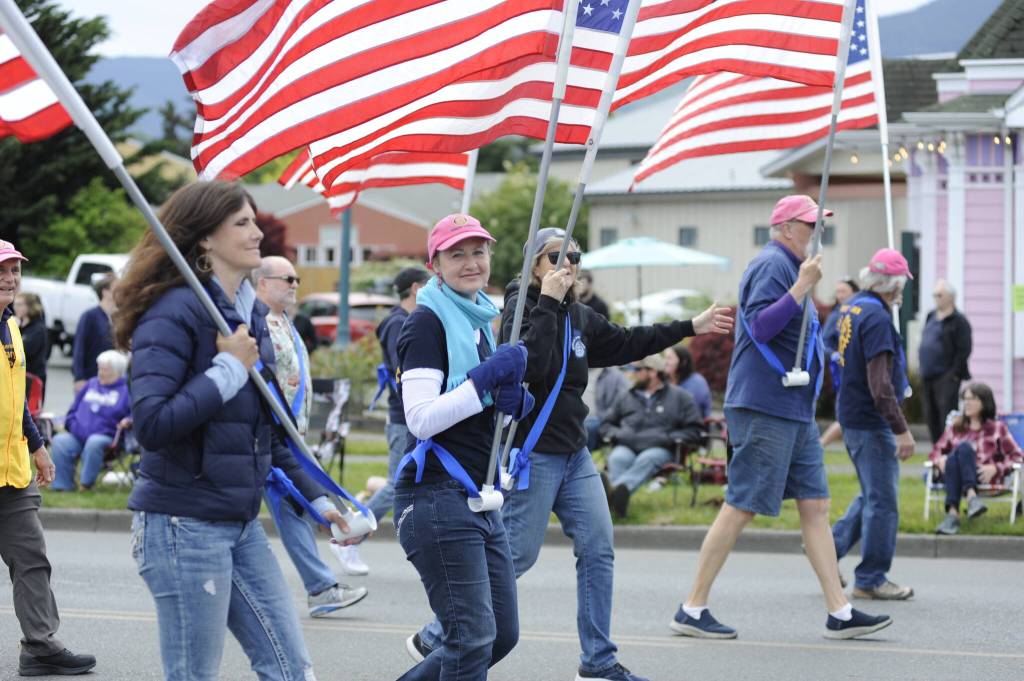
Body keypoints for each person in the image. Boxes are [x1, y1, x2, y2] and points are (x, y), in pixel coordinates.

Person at [410, 226, 734, 681]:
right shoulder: (520, 310)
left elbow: (626, 342)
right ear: (533, 267)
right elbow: (533, 363)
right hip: (534, 452)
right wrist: (547, 301)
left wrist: (689, 328)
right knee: (516, 557)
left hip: (575, 452)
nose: (568, 266)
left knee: (599, 549)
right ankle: (439, 630)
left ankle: (598, 660)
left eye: (575, 257)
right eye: (555, 257)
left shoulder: (579, 316)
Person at [113, 181, 353, 681]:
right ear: (204, 239)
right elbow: (153, 425)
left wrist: (320, 502)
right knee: (193, 674)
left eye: (254, 219)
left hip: (238, 522)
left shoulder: (249, 318)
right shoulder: (173, 312)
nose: (256, 231)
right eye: (241, 222)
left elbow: (269, 431)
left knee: (291, 669)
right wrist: (227, 371)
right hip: (183, 525)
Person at [669, 195, 891, 642]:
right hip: (764, 405)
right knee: (742, 504)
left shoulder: (793, 265)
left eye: (819, 223)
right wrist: (800, 288)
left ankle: (839, 611)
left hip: (792, 409)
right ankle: (692, 607)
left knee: (816, 505)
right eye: (811, 224)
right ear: (786, 227)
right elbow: (760, 326)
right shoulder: (773, 264)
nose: (817, 232)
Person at [394, 213, 530, 681]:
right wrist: (484, 382)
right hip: (436, 496)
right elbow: (421, 418)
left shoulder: (478, 319)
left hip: (475, 496)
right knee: (470, 639)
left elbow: (478, 413)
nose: (471, 262)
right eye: (457, 254)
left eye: (478, 251)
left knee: (499, 635)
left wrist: (511, 404)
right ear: (435, 264)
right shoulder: (427, 324)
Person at [0, 239, 96, 676]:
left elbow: (15, 398)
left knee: (32, 558)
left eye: (15, 270)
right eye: (2, 271)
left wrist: (37, 446)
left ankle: (39, 646)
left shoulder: (13, 326)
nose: (10, 278)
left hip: (13, 470)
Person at [253, 256, 368, 617]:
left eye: (297, 278)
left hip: (288, 436)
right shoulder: (257, 324)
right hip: (269, 434)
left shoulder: (284, 322)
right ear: (262, 282)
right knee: (290, 507)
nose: (294, 284)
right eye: (287, 278)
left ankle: (320, 587)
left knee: (294, 509)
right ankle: (320, 588)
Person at [830, 249, 916, 601]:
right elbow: (880, 386)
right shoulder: (878, 317)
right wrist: (902, 429)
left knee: (872, 492)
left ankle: (828, 547)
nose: (902, 291)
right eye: (901, 285)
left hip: (851, 415)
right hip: (871, 419)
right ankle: (871, 578)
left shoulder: (852, 307)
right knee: (883, 501)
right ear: (890, 284)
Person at [342, 266, 431, 576]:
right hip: (402, 416)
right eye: (429, 284)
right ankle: (350, 537)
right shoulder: (397, 323)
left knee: (416, 482)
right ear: (416, 288)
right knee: (397, 483)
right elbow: (402, 370)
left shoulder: (408, 320)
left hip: (411, 415)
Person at [601, 353, 703, 518]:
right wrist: (617, 434)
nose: (634, 372)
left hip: (659, 448)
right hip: (627, 445)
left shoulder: (680, 397)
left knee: (647, 459)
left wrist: (668, 437)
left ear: (653, 372)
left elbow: (695, 430)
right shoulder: (626, 395)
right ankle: (616, 504)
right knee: (617, 458)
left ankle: (610, 495)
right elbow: (606, 424)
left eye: (638, 369)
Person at [930, 382, 1024, 535]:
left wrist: (996, 468)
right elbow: (935, 452)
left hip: (982, 477)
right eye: (965, 399)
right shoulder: (956, 427)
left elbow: (1017, 457)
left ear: (985, 402)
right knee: (961, 450)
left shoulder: (997, 428)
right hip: (955, 479)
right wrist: (939, 460)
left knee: (961, 450)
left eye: (972, 399)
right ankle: (971, 497)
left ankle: (953, 515)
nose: (967, 403)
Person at [50, 350, 131, 492]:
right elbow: (73, 409)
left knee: (94, 442)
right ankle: (62, 486)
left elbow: (134, 414)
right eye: (99, 368)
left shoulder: (126, 391)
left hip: (107, 439)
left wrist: (128, 421)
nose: (100, 372)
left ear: (117, 372)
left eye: (104, 370)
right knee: (60, 440)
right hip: (78, 436)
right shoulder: (91, 384)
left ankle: (85, 485)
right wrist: (71, 423)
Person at [919, 280, 972, 444]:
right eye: (934, 295)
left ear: (951, 297)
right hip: (928, 374)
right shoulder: (931, 316)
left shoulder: (959, 320)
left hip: (946, 376)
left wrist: (954, 374)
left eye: (940, 295)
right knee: (931, 415)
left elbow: (964, 349)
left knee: (946, 415)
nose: (936, 298)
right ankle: (936, 449)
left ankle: (948, 449)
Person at [820, 277, 860, 448]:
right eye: (838, 291)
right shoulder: (835, 316)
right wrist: (835, 355)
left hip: (860, 373)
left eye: (843, 291)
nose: (840, 295)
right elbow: (822, 345)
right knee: (846, 415)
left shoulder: (860, 312)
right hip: (843, 375)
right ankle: (820, 445)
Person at [71, 272, 116, 393]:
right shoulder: (90, 316)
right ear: (105, 292)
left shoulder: (117, 318)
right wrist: (79, 378)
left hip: (111, 380)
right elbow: (79, 348)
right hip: (90, 378)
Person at [583, 365, 629, 452]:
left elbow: (625, 401)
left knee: (588, 426)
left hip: (600, 421)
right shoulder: (576, 369)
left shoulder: (615, 376)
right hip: (575, 419)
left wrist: (607, 416)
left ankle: (578, 461)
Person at [664, 343, 712, 419]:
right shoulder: (665, 381)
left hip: (692, 426)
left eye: (670, 358)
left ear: (683, 362)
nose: (666, 362)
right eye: (665, 358)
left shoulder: (696, 382)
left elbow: (690, 409)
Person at [15, 292, 48, 398]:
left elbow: (23, 352)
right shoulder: (19, 326)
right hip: (18, 378)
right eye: (15, 304)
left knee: (29, 413)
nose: (16, 308)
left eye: (20, 304)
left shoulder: (38, 328)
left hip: (32, 378)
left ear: (30, 307)